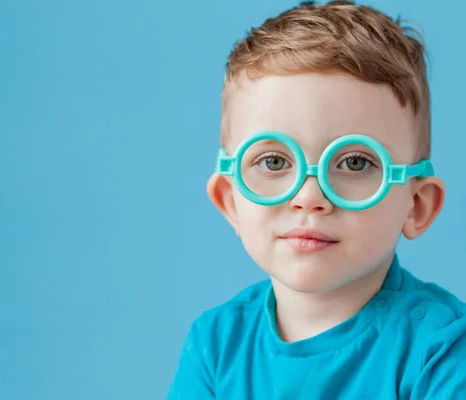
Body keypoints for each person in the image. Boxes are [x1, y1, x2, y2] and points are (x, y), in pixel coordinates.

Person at [167, 1, 466, 398]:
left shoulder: (442, 351)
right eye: (273, 161)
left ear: (416, 205)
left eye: (355, 162)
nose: (310, 197)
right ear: (230, 201)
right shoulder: (217, 345)